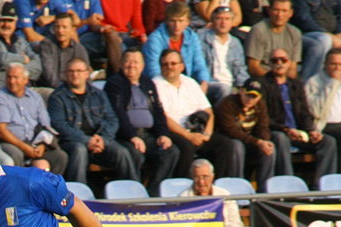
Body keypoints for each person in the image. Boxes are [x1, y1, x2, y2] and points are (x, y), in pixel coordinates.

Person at [48, 57, 138, 184]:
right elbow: (59, 125)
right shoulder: (57, 97)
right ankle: (79, 196)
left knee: (122, 152)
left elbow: (112, 120)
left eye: (79, 71)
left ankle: (133, 193)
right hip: (72, 142)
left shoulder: (98, 94)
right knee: (80, 150)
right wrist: (86, 140)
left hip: (99, 140)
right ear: (65, 74)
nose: (75, 74)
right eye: (71, 71)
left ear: (87, 74)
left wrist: (103, 139)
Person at [104, 47, 179, 196]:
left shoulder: (148, 83)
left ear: (143, 66)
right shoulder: (114, 83)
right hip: (124, 136)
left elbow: (158, 111)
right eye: (128, 61)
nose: (132, 65)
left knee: (171, 152)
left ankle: (152, 194)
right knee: (135, 154)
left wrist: (163, 134)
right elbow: (118, 113)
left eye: (136, 62)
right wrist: (132, 136)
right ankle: (133, 196)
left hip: (148, 135)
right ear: (121, 64)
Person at [154, 48, 237, 178]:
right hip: (174, 131)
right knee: (186, 147)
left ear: (182, 66)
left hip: (197, 130)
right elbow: (163, 117)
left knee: (225, 144)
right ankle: (180, 187)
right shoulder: (155, 84)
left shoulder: (190, 82)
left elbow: (208, 110)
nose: (169, 67)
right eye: (165, 64)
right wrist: (188, 136)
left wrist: (207, 134)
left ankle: (219, 188)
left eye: (173, 63)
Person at [259, 47, 337, 181]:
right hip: (277, 131)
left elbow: (304, 112)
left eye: (283, 60)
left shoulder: (296, 84)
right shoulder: (262, 84)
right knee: (280, 139)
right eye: (275, 60)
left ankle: (323, 185)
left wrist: (311, 130)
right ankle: (287, 183)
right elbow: (263, 118)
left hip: (299, 133)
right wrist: (287, 130)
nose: (279, 63)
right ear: (269, 63)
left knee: (328, 141)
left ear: (289, 63)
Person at [0, 63, 68, 174]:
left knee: (60, 156)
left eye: (15, 77)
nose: (12, 81)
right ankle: (18, 188)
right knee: (16, 154)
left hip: (35, 142)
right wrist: (25, 148)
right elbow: (0, 131)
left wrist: (43, 145)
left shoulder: (35, 97)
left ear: (26, 80)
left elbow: (46, 125)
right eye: (9, 77)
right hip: (11, 143)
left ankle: (53, 188)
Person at [213, 79, 277, 187]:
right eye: (248, 95)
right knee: (236, 146)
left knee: (270, 147)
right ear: (241, 91)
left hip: (251, 141)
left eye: (254, 97)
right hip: (231, 140)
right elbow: (230, 131)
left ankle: (265, 189)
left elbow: (263, 126)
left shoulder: (261, 105)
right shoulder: (227, 103)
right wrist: (258, 142)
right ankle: (239, 187)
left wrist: (264, 142)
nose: (250, 99)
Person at [142, 1, 210, 92]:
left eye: (180, 21)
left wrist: (204, 83)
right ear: (166, 21)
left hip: (187, 82)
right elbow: (153, 70)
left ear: (188, 22)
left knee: (221, 89)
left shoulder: (192, 37)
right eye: (173, 21)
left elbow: (200, 64)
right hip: (161, 84)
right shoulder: (155, 39)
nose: (176, 25)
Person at [199, 5, 251, 106]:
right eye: (219, 19)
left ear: (232, 22)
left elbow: (241, 69)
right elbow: (200, 66)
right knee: (224, 89)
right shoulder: (202, 39)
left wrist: (245, 87)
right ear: (212, 21)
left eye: (227, 19)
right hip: (210, 83)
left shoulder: (235, 43)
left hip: (232, 85)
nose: (223, 23)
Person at [178, 158, 244, 227]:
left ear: (212, 176)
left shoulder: (224, 195)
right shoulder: (183, 198)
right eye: (197, 177)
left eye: (205, 177)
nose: (201, 182)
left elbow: (235, 222)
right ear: (192, 177)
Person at [244, 0, 302, 78]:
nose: (280, 14)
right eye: (276, 10)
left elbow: (292, 67)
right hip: (263, 79)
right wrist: (274, 82)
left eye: (284, 11)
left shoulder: (295, 33)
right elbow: (253, 66)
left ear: (290, 13)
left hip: (285, 80)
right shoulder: (258, 31)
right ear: (269, 10)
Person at [37, 11, 90, 90]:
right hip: (50, 89)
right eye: (57, 27)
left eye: (64, 27)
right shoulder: (46, 45)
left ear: (72, 29)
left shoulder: (79, 49)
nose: (60, 31)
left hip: (73, 89)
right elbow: (49, 76)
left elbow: (86, 75)